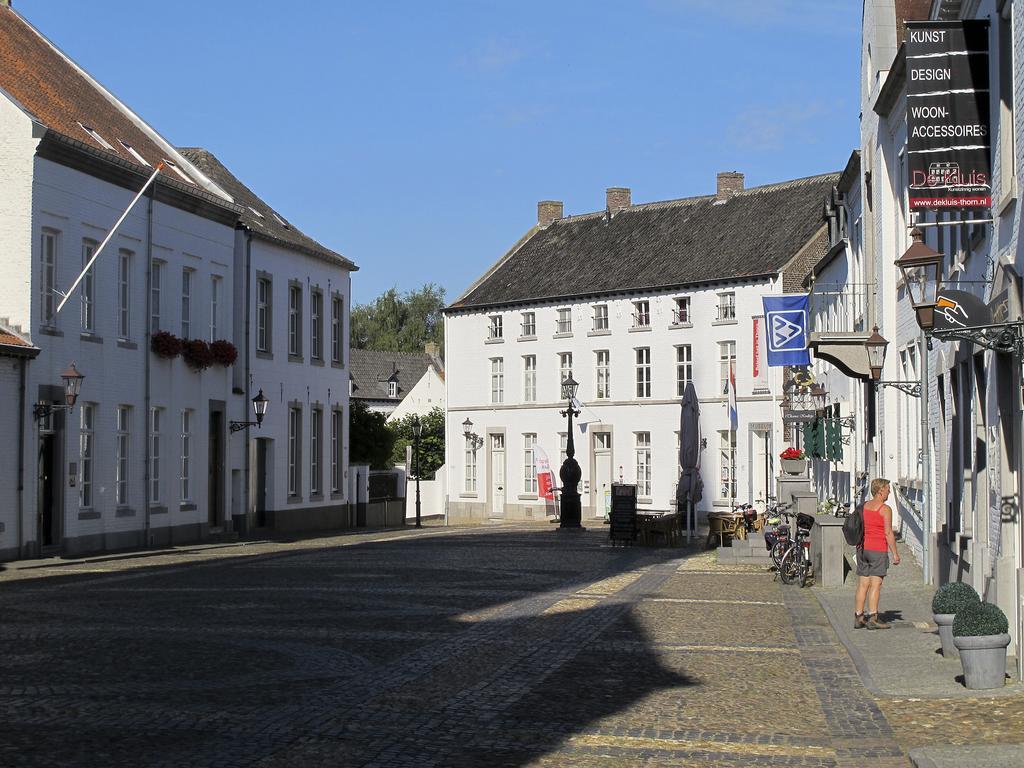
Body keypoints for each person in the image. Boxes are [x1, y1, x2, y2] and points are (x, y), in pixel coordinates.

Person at [854, 478, 900, 630]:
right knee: (876, 584)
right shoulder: (885, 509)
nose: (889, 492)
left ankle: (859, 617)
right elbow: (888, 533)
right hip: (877, 549)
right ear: (880, 491)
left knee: (862, 584)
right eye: (887, 489)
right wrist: (895, 554)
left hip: (862, 549)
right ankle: (873, 617)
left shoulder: (864, 505)